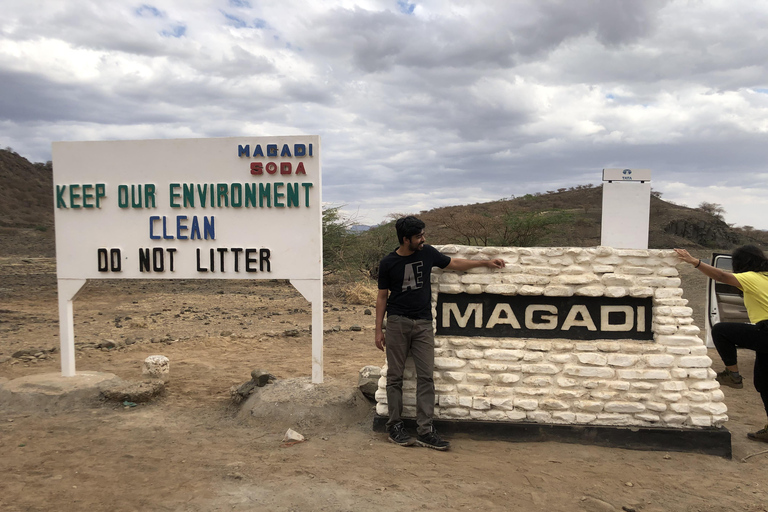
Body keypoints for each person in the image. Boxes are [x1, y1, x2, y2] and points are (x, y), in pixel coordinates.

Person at [376, 216, 506, 450]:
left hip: (424, 324)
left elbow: (453, 263)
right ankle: (394, 427)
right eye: (418, 236)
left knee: (426, 377)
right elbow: (382, 296)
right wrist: (378, 330)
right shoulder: (388, 263)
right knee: (395, 377)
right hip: (397, 323)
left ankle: (425, 430)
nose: (423, 239)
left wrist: (485, 263)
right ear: (406, 240)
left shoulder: (427, 253)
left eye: (423, 234)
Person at [675, 245, 768, 443]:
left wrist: (695, 262)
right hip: (764, 336)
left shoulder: (751, 277)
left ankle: (733, 374)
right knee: (763, 383)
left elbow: (722, 277)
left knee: (721, 331)